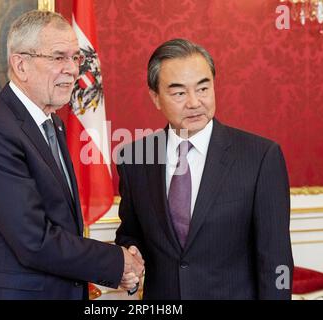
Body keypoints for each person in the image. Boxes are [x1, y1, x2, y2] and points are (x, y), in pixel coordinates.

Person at [0, 10, 143, 300]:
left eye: (75, 58)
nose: (72, 69)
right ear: (21, 65)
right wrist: (117, 262)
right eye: (59, 57)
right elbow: (33, 240)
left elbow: (60, 224)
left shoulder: (51, 122)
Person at [115, 38, 293, 299]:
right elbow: (131, 233)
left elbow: (275, 259)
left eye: (203, 88)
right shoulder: (135, 158)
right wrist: (132, 251)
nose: (194, 102)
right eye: (178, 93)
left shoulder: (260, 157)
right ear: (155, 98)